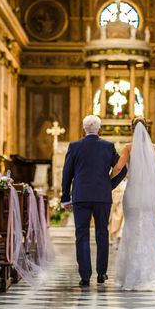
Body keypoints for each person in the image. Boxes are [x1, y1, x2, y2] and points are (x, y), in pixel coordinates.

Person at [110, 117, 155, 291]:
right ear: (148, 129)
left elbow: (119, 167)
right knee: (147, 230)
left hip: (133, 193)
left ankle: (131, 273)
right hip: (147, 195)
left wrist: (108, 179)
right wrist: (151, 186)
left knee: (131, 229)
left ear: (132, 129)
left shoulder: (128, 148)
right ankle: (148, 272)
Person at [61, 115, 127, 287]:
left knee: (81, 234)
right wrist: (108, 185)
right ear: (99, 129)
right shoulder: (107, 146)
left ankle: (84, 276)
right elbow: (122, 169)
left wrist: (65, 198)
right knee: (102, 233)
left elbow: (67, 174)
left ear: (84, 129)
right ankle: (102, 273)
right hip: (102, 197)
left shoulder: (74, 146)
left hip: (81, 196)